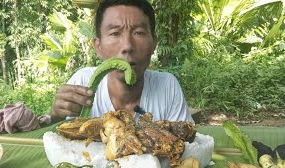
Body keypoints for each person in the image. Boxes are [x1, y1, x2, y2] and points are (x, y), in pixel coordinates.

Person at [50, 0, 193, 123]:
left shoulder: (167, 87)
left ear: (154, 43)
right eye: (114, 33)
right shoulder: (82, 82)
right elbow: (59, 137)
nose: (127, 46)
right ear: (98, 47)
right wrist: (56, 116)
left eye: (138, 32)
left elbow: (188, 145)